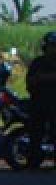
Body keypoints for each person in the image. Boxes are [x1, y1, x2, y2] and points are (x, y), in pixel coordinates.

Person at [25, 31, 56, 169]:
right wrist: (39, 79)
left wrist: (44, 77)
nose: (53, 48)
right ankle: (33, 161)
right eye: (51, 45)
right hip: (38, 103)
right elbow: (30, 81)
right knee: (35, 134)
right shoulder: (38, 62)